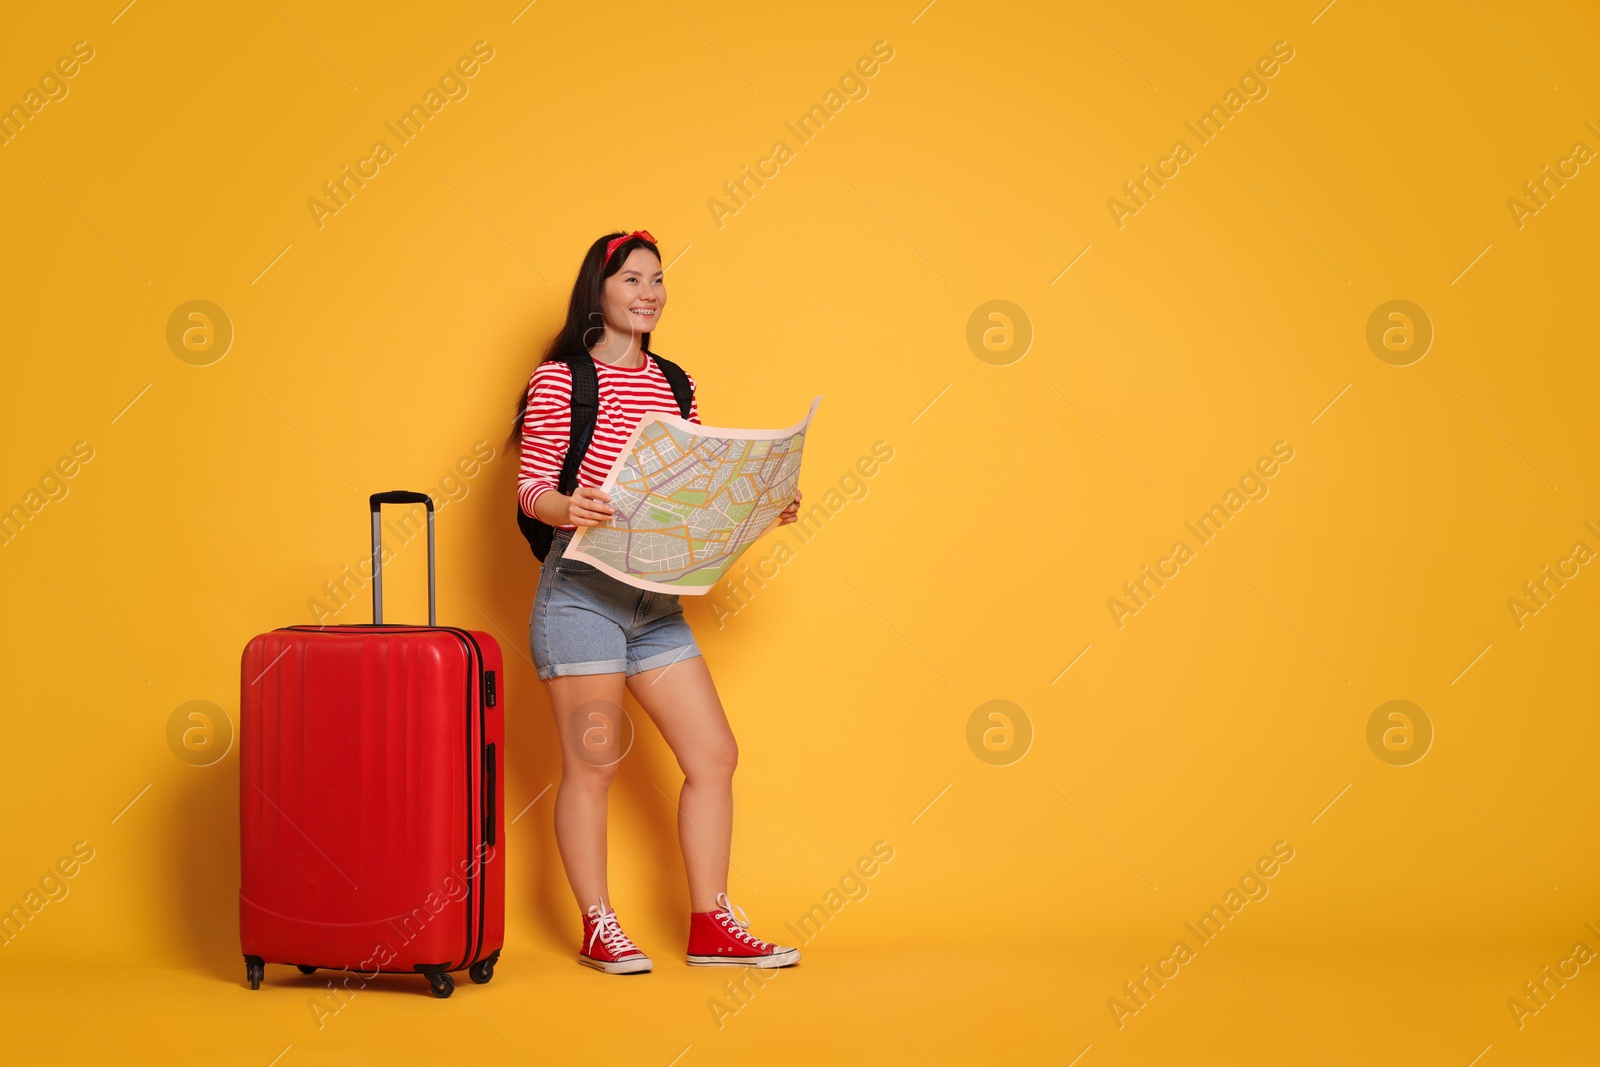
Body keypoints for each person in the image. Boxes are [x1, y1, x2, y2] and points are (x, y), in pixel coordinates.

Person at [508, 230, 803, 975]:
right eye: (632, 278)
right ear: (598, 291)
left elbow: (693, 487)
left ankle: (711, 923)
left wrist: (760, 504)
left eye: (658, 280)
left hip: (656, 603)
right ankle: (599, 923)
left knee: (714, 755)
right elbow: (530, 486)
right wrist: (567, 506)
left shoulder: (674, 381)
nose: (649, 292)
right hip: (580, 598)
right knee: (594, 767)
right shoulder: (562, 379)